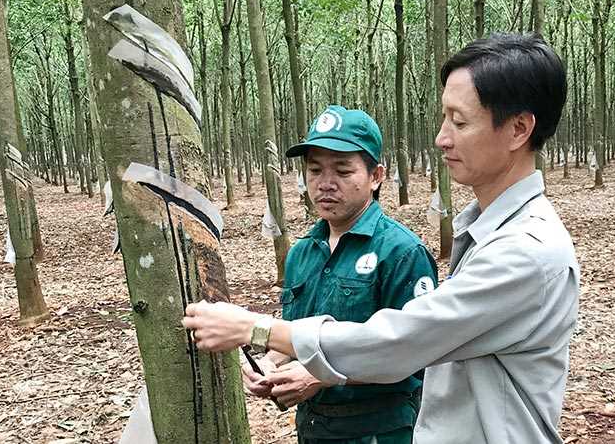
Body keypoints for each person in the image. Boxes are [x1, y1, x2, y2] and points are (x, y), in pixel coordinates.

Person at [184, 32, 579, 444]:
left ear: (518, 129)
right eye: (444, 119)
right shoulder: (487, 232)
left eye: (460, 121)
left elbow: (400, 341)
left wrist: (257, 328)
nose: (443, 138)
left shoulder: (525, 253)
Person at [240, 105, 437, 444]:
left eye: (343, 171)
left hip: (380, 431)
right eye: (315, 170)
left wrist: (318, 376)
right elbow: (297, 335)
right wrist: (270, 364)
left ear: (376, 176)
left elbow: (416, 356)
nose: (325, 184)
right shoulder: (302, 253)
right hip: (314, 428)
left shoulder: (402, 253)